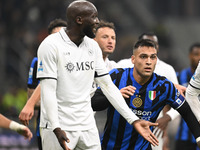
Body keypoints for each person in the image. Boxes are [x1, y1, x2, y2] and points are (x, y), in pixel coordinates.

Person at [30, 1, 159, 150]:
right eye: (94, 17)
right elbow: (48, 91)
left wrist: (134, 120)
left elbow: (108, 86)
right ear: (79, 20)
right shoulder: (51, 45)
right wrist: (56, 127)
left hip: (87, 125)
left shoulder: (92, 47)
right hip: (59, 125)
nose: (97, 22)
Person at [91, 39, 200, 150]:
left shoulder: (164, 86)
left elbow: (186, 112)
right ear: (133, 59)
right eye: (143, 57)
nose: (148, 61)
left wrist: (198, 137)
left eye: (152, 57)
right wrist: (114, 96)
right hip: (110, 147)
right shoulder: (116, 76)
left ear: (156, 60)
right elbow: (93, 103)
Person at [118, 32, 181, 150]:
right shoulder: (122, 65)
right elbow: (107, 90)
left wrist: (167, 118)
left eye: (155, 44)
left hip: (154, 129)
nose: (152, 46)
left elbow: (180, 100)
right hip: (123, 127)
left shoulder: (167, 69)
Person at [27, 18, 67, 150]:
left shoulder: (75, 61)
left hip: (72, 126)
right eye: (55, 36)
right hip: (46, 127)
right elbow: (32, 100)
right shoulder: (38, 61)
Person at [92, 20, 119, 137]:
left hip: (89, 123)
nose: (110, 41)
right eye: (105, 37)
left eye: (113, 38)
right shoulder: (82, 63)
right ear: (94, 41)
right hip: (68, 120)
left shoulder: (113, 67)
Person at [175, 43, 200, 150]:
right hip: (184, 135)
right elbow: (167, 101)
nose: (198, 58)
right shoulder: (179, 77)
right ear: (189, 55)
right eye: (196, 54)